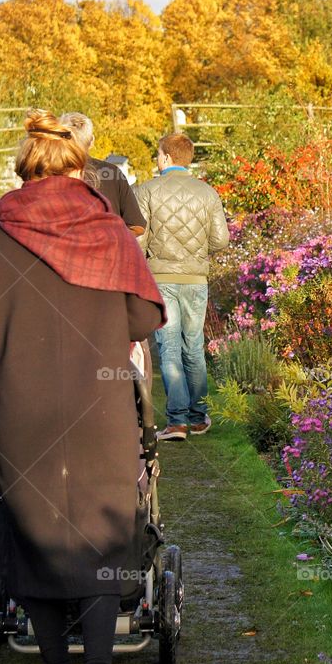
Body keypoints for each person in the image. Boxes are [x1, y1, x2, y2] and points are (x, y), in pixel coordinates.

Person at [0, 110, 165, 664]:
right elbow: (142, 320)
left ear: (24, 168)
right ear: (80, 170)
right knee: (102, 532)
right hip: (99, 409)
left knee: (34, 530)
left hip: (22, 410)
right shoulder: (113, 238)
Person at [134, 132, 229, 441]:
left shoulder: (147, 191)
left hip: (161, 278)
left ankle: (177, 422)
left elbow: (138, 239)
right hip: (195, 280)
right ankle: (198, 416)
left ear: (166, 158)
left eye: (158, 154)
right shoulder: (207, 192)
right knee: (194, 347)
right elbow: (221, 240)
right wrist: (197, 253)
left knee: (169, 348)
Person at [58, 111, 146, 236]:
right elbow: (137, 226)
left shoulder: (50, 173)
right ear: (92, 141)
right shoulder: (112, 172)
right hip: (109, 253)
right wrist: (112, 240)